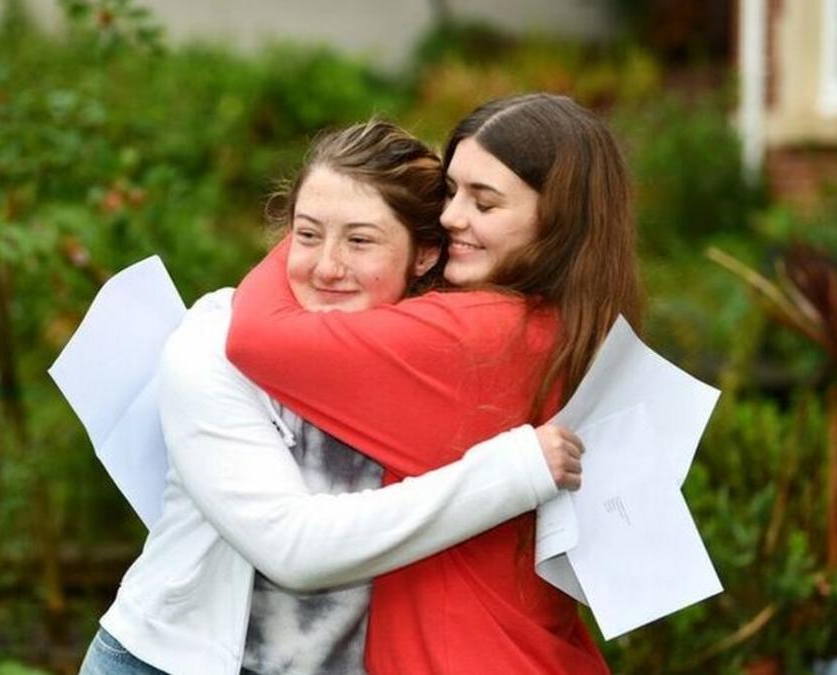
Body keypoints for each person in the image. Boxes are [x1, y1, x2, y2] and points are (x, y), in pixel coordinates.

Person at [80, 120, 586, 675]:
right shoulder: (212, 344)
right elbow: (293, 548)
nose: (327, 267)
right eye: (308, 235)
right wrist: (514, 472)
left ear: (424, 255)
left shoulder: (433, 352)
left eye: (360, 240)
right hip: (167, 664)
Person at [225, 93, 641, 673]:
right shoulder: (565, 325)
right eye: (450, 191)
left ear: (558, 219)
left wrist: (318, 217)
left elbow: (256, 337)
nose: (449, 218)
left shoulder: (474, 337)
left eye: (484, 202)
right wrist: (345, 222)